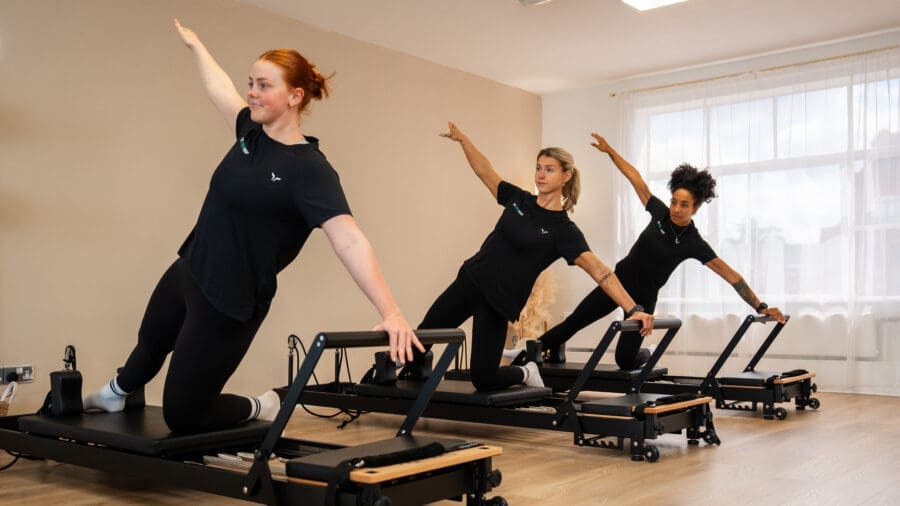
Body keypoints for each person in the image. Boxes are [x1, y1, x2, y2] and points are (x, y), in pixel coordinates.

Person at [83, 20, 422, 433]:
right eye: (251, 83)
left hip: (231, 301)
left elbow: (348, 239)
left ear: (295, 96)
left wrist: (391, 312)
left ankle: (261, 404)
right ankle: (116, 393)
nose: (252, 93)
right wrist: (196, 45)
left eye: (264, 85)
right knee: (149, 346)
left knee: (184, 415)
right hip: (189, 268)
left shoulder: (310, 170)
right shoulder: (250, 133)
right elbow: (219, 89)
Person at [406, 123, 654, 391]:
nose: (541, 175)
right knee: (420, 339)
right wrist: (463, 139)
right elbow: (484, 171)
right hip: (469, 283)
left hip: (497, 303)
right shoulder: (518, 200)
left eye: (549, 169)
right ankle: (411, 371)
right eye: (538, 168)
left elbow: (600, 271)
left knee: (485, 380)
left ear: (566, 175)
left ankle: (526, 372)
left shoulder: (564, 231)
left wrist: (633, 309)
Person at [534, 133, 785, 370]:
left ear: (695, 208)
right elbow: (634, 177)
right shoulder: (659, 214)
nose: (676, 208)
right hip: (618, 284)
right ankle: (532, 353)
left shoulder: (694, 243)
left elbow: (732, 276)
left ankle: (649, 353)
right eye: (674, 201)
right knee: (575, 321)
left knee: (625, 360)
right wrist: (609, 151)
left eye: (684, 205)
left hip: (643, 300)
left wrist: (760, 306)